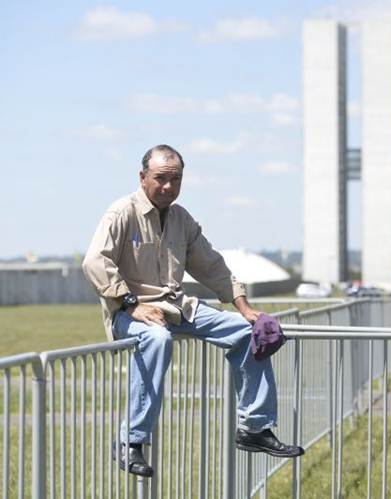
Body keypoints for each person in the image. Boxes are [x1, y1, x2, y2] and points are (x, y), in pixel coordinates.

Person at [82, 144, 303, 477]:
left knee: (247, 332)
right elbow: (94, 262)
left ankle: (254, 428)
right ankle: (130, 441)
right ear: (143, 177)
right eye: (160, 179)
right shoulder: (121, 212)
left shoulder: (182, 219)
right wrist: (131, 303)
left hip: (176, 307)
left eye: (176, 179)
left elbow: (211, 266)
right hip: (130, 313)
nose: (168, 186)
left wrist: (244, 306)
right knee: (157, 340)